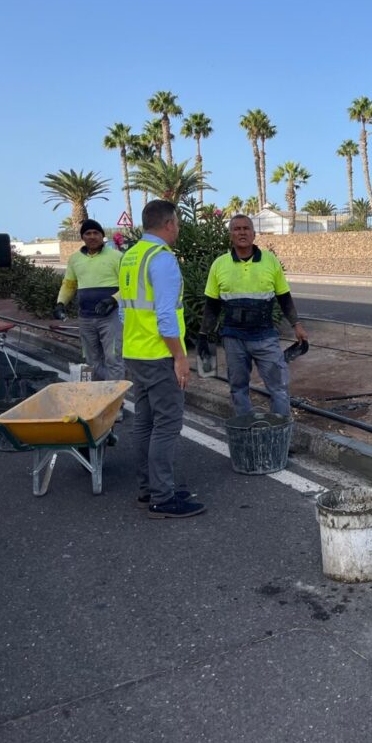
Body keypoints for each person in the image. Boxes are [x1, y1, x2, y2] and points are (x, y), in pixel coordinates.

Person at [119, 200, 205, 519]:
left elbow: (122, 309)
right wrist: (180, 357)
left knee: (144, 422)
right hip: (159, 353)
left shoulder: (130, 256)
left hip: (136, 351)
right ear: (169, 224)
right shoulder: (162, 259)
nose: (178, 229)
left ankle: (148, 489)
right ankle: (162, 497)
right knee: (167, 424)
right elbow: (165, 315)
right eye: (178, 224)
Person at [198, 214, 307, 416]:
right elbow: (211, 306)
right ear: (230, 234)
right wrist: (204, 334)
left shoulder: (270, 261)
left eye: (246, 228)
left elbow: (284, 297)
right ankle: (246, 432)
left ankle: (280, 435)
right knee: (238, 388)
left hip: (265, 337)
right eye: (237, 229)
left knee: (279, 388)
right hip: (233, 339)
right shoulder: (219, 265)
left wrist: (296, 324)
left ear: (254, 234)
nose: (242, 232)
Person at [54, 219, 126, 383]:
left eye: (96, 233)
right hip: (86, 318)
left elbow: (128, 286)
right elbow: (69, 284)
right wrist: (60, 303)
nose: (92, 236)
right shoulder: (75, 259)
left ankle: (114, 399)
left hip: (111, 318)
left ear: (102, 236)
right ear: (82, 237)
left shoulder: (117, 257)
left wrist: (113, 300)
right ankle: (99, 398)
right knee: (92, 361)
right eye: (88, 233)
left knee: (113, 358)